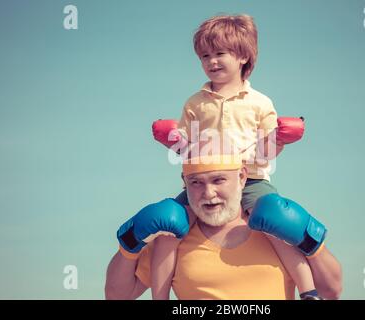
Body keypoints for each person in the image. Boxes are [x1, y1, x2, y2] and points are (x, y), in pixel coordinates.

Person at [149, 14, 316, 300]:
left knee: (276, 224)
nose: (211, 61)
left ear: (242, 56)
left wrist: (279, 140)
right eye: (204, 56)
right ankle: (159, 297)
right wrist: (173, 140)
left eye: (219, 54)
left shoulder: (260, 103)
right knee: (169, 228)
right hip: (205, 180)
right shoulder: (195, 102)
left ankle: (309, 290)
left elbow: (267, 151)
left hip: (250, 179)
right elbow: (186, 150)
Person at [105, 154, 342, 299]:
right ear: (184, 183)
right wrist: (129, 243)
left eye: (219, 180)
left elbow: (331, 291)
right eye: (196, 183)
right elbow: (116, 296)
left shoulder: (276, 230)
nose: (208, 194)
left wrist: (312, 243)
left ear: (241, 177)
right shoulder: (171, 239)